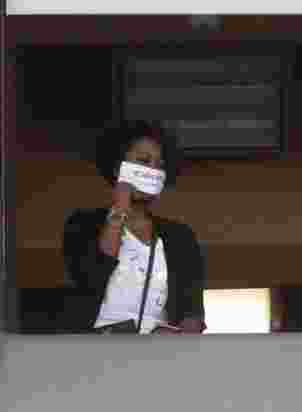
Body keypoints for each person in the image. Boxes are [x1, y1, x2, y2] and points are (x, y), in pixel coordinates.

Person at [62, 120, 206, 334]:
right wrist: (120, 209)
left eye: (159, 165)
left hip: (160, 349)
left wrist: (180, 338)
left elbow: (192, 310)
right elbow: (90, 278)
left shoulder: (180, 236)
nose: (152, 171)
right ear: (117, 168)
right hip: (98, 348)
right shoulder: (83, 224)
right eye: (143, 162)